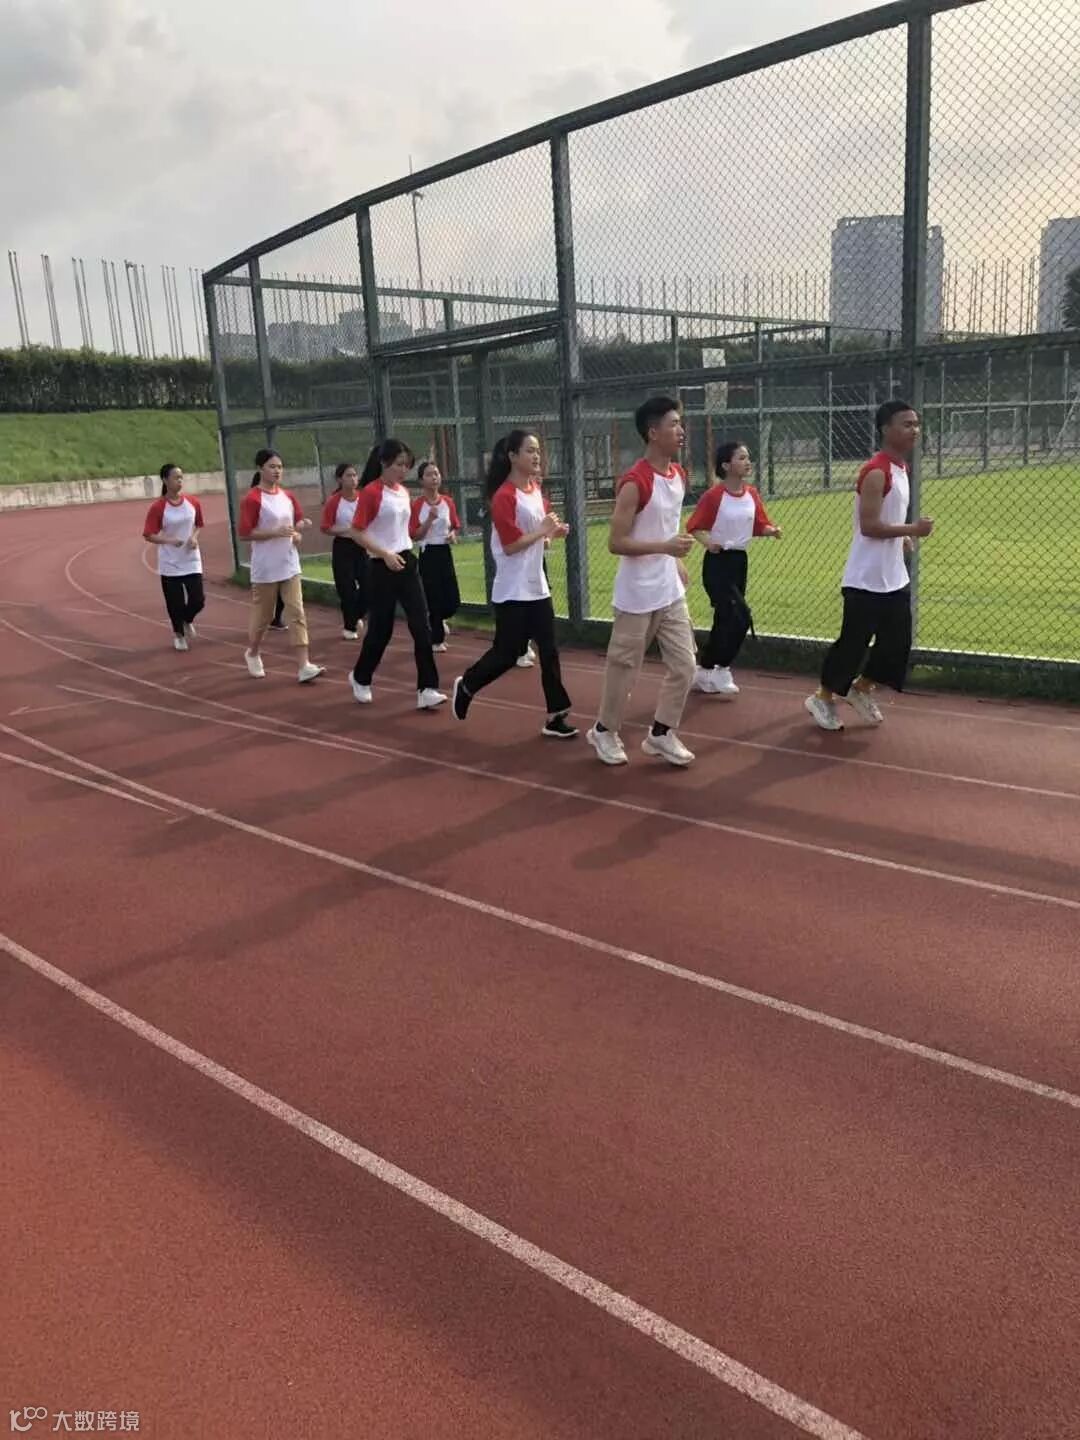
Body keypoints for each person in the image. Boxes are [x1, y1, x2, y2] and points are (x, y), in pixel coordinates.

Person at [805, 398, 933, 731]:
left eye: (916, 424)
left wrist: (902, 538)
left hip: (893, 577)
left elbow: (889, 516)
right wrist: (912, 530)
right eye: (907, 424)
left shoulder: (901, 468)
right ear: (886, 430)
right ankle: (822, 697)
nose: (914, 430)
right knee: (853, 644)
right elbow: (870, 526)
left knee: (897, 643)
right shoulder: (876, 471)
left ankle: (861, 689)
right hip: (865, 578)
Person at [586, 396, 697, 767]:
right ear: (652, 432)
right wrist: (666, 547)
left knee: (685, 665)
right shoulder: (635, 482)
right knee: (624, 668)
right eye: (673, 424)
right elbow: (616, 542)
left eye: (680, 423)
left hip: (669, 591)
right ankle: (604, 730)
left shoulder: (679, 475)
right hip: (636, 594)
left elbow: (666, 525)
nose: (681, 430)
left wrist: (674, 559)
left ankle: (662, 733)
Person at [451, 430, 576, 739]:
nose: (536, 456)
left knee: (549, 650)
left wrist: (552, 533)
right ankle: (468, 684)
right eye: (530, 450)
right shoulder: (504, 496)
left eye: (538, 450)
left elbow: (539, 540)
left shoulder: (535, 490)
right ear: (512, 456)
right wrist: (543, 530)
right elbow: (510, 546)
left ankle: (556, 715)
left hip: (537, 586)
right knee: (507, 654)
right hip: (512, 589)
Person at [349, 439, 446, 710]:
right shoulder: (371, 493)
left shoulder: (403, 492)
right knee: (382, 630)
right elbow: (356, 531)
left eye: (407, 465)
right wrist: (384, 554)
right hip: (381, 567)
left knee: (422, 626)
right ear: (384, 462)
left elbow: (405, 530)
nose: (403, 470)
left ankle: (427, 688)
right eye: (399, 465)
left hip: (407, 562)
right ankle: (361, 676)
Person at [686, 441, 781, 698]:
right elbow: (694, 526)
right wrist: (709, 543)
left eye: (748, 457)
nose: (747, 462)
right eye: (741, 458)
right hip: (718, 563)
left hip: (739, 562)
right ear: (726, 465)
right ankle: (723, 668)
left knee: (725, 618)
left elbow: (758, 524)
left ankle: (705, 670)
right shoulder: (714, 496)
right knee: (741, 616)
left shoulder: (752, 494)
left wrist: (771, 531)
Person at [237, 448, 325, 683]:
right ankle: (253, 652)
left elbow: (296, 524)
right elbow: (245, 533)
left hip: (289, 564)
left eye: (279, 467)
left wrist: (297, 533)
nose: (277, 471)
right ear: (260, 469)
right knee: (264, 616)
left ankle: (304, 665)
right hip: (265, 567)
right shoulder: (253, 499)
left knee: (296, 612)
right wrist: (274, 532)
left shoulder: (287, 496)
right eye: (272, 466)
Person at [142, 463, 205, 651]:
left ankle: (187, 620)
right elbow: (148, 534)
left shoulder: (192, 502)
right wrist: (168, 540)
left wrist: (194, 537)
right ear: (165, 480)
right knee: (174, 603)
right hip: (170, 562)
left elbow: (199, 524)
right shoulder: (159, 507)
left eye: (181, 477)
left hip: (191, 559)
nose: (180, 481)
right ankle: (179, 634)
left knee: (198, 599)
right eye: (176, 477)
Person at [410, 460, 461, 652]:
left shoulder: (448, 502)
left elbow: (455, 525)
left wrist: (452, 535)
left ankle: (439, 618)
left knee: (452, 599)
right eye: (429, 474)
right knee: (433, 596)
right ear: (421, 480)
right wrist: (429, 520)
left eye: (436, 474)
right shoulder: (417, 505)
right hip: (428, 552)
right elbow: (415, 535)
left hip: (444, 552)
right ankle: (436, 639)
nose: (434, 478)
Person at [320, 462, 369, 640]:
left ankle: (356, 615)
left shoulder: (363, 498)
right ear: (339, 479)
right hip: (343, 546)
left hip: (362, 546)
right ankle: (350, 627)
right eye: (348, 475)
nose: (353, 479)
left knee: (369, 585)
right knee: (346, 588)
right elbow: (326, 527)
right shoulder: (334, 501)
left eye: (355, 475)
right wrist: (347, 529)